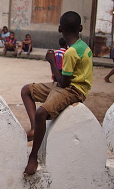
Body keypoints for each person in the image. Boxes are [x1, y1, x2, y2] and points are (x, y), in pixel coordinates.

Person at [20, 11, 93, 176]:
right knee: (27, 90)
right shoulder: (84, 46)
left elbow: (63, 82)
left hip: (75, 90)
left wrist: (51, 61)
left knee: (41, 112)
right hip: (66, 85)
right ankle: (34, 130)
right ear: (80, 28)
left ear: (59, 28)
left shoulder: (71, 52)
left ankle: (33, 157)